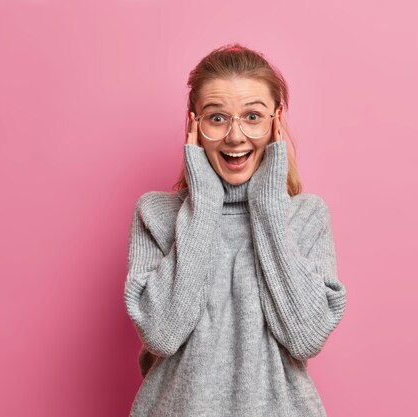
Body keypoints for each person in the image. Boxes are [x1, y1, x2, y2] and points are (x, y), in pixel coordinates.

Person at [124, 43, 347, 417]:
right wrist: (205, 203)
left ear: (276, 122)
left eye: (252, 116)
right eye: (217, 118)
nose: (235, 136)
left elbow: (306, 337)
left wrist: (268, 207)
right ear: (194, 124)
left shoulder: (306, 216)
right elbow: (162, 334)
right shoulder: (156, 215)